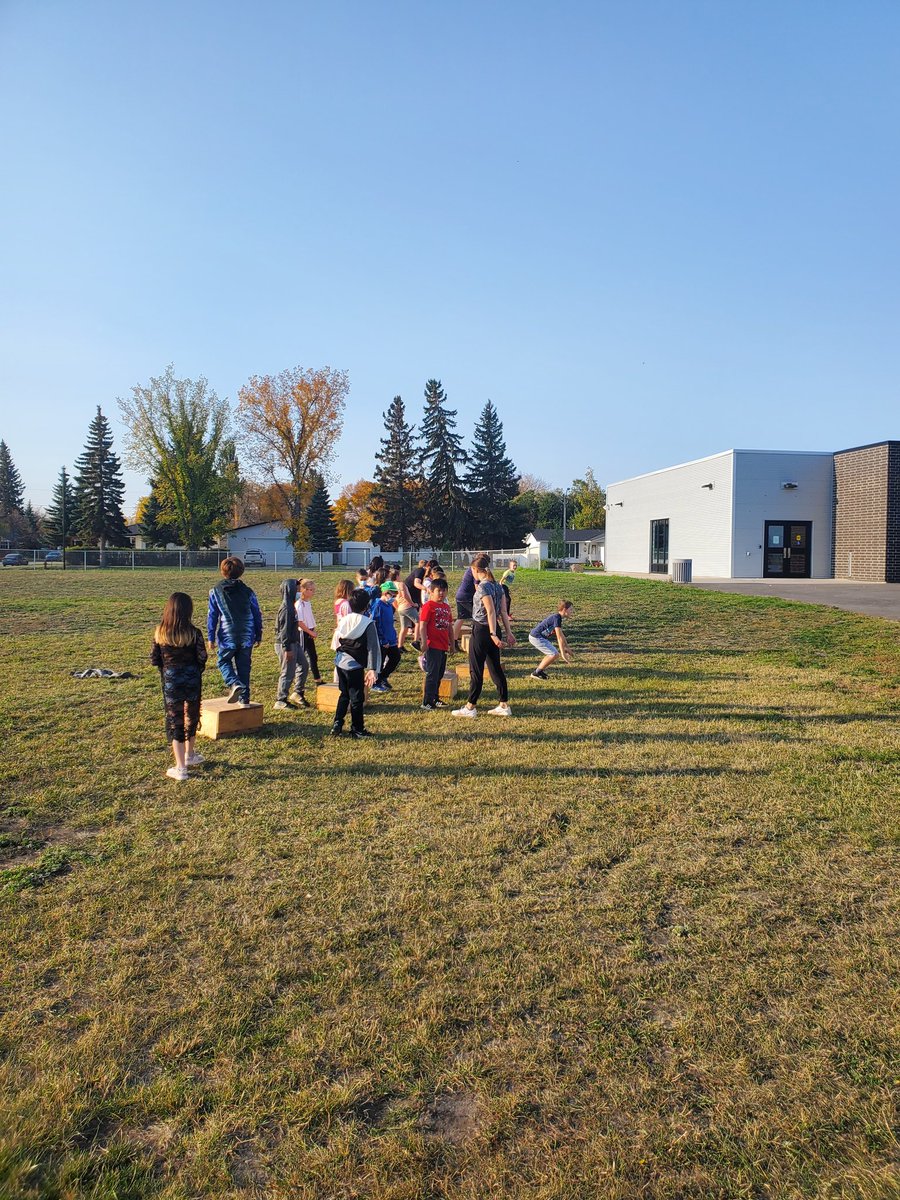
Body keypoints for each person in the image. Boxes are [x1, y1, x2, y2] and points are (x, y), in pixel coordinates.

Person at [151, 592, 208, 781]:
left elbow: (154, 659)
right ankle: (190, 754)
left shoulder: (160, 631)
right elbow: (202, 656)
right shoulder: (194, 632)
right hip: (192, 678)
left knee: (175, 721)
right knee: (192, 715)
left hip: (171, 680)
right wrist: (196, 670)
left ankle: (181, 767)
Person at [452, 554, 516, 718]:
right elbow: (503, 612)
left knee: (476, 670)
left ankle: (470, 707)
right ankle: (503, 704)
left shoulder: (483, 587)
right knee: (495, 668)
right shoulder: (498, 586)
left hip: (482, 631)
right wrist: (508, 632)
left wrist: (493, 634)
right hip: (495, 630)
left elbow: (491, 611)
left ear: (475, 569)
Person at [207, 557, 262, 704]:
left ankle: (233, 682)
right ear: (241, 571)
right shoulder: (248, 591)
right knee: (244, 666)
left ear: (222, 571)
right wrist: (259, 634)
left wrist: (211, 637)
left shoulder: (215, 591)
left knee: (223, 661)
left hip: (227, 636)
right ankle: (244, 699)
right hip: (247, 635)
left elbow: (212, 615)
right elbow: (256, 613)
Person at [331, 587, 381, 739]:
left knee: (344, 694)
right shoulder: (368, 623)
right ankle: (357, 729)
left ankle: (337, 724)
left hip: (340, 662)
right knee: (357, 698)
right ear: (367, 605)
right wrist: (372, 669)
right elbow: (373, 647)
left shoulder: (344, 619)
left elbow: (337, 639)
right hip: (354, 665)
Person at [417, 576, 452, 710]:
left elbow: (449, 626)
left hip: (443, 645)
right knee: (432, 674)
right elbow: (423, 625)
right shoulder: (428, 606)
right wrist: (424, 642)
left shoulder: (446, 607)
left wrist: (452, 644)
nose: (442, 593)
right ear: (431, 591)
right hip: (432, 645)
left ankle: (435, 698)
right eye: (439, 590)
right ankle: (426, 701)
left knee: (439, 673)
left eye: (444, 590)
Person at [273, 577, 305, 710]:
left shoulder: (292, 606)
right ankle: (281, 700)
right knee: (287, 671)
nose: (299, 592)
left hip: (294, 642)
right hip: (286, 644)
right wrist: (287, 648)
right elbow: (284, 631)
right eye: (297, 589)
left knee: (304, 665)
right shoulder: (287, 609)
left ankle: (297, 692)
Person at [371, 581, 402, 692]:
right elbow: (376, 623)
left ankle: (383, 677)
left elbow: (390, 623)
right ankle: (375, 682)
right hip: (382, 641)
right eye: (392, 594)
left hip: (391, 639)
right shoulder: (378, 605)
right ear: (385, 593)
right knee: (380, 662)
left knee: (396, 657)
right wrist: (382, 640)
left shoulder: (389, 605)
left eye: (395, 595)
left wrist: (394, 636)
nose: (393, 597)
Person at [529, 602, 574, 679]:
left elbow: (561, 635)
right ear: (564, 609)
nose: (572, 612)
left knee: (552, 654)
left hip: (538, 637)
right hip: (536, 637)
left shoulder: (558, 617)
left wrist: (567, 647)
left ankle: (538, 671)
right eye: (571, 609)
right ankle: (536, 673)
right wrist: (563, 654)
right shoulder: (557, 617)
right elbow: (559, 638)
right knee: (554, 654)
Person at [295, 577, 323, 690]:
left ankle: (317, 679)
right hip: (303, 632)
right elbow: (300, 622)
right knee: (301, 659)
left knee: (313, 656)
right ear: (303, 590)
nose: (312, 592)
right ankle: (299, 683)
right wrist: (309, 631)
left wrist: (313, 630)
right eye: (310, 589)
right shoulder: (299, 604)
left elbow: (309, 617)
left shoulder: (308, 603)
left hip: (309, 631)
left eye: (313, 590)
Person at [453, 562, 477, 648]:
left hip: (461, 595)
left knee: (461, 618)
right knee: (477, 617)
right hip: (466, 597)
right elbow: (478, 588)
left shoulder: (471, 569)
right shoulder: (475, 571)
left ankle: (453, 641)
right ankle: (476, 640)